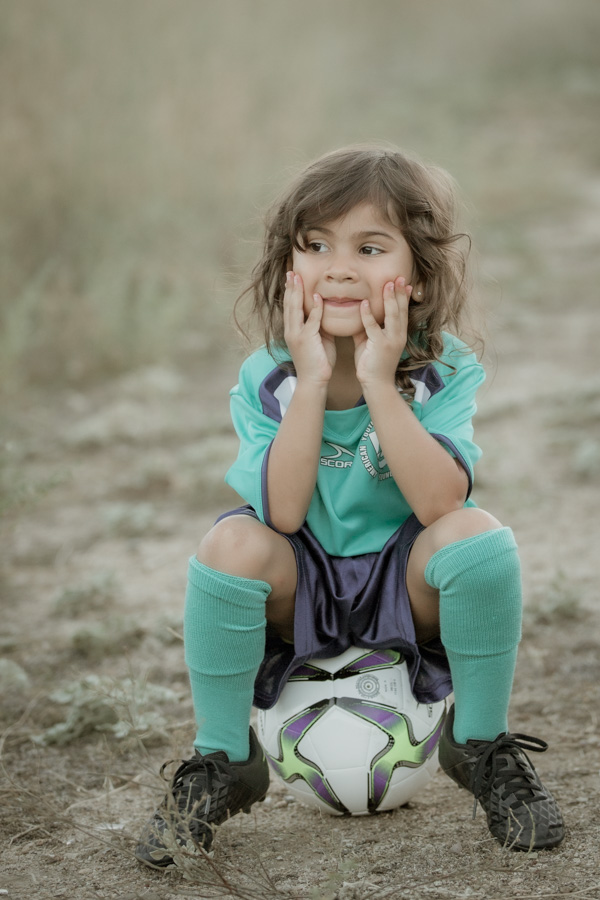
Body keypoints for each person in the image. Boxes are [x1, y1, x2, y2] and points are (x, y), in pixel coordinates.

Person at [135, 145, 564, 866]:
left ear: (419, 278)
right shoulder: (269, 376)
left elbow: (438, 502)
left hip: (405, 583)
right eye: (316, 245)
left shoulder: (442, 367)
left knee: (477, 537)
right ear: (289, 267)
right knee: (229, 545)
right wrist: (311, 383)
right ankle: (223, 757)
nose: (337, 267)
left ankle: (480, 741)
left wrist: (376, 381)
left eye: (369, 247)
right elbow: (282, 516)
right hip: (303, 582)